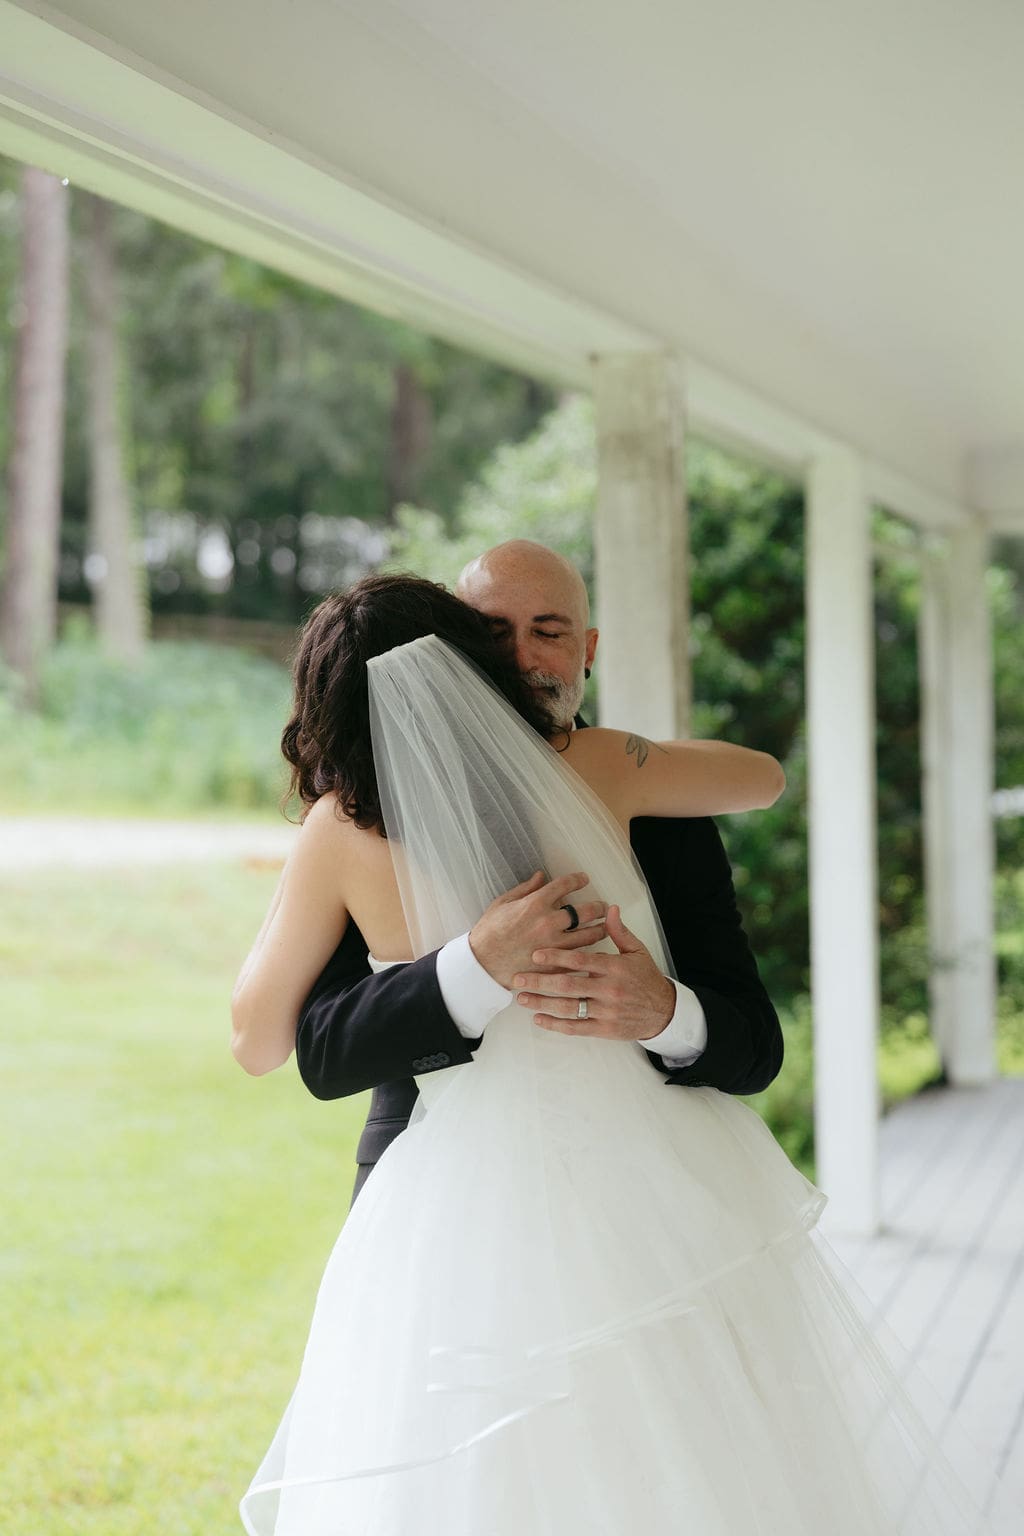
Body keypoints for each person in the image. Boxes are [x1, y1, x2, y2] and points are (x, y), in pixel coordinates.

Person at [233, 574, 1016, 1534]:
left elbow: (254, 1038)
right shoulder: (600, 766)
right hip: (650, 1180)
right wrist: (472, 961)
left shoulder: (339, 834)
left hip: (472, 1198)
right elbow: (761, 777)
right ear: (476, 661)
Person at [291, 541, 784, 1204]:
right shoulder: (377, 816)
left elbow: (757, 1045)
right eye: (492, 634)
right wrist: (472, 965)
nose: (522, 659)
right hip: (439, 1196)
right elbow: (324, 1047)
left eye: (549, 632)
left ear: (589, 650)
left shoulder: (661, 803)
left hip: (651, 1194)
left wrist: (667, 1012)